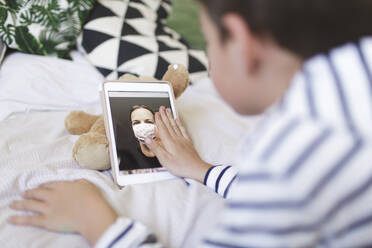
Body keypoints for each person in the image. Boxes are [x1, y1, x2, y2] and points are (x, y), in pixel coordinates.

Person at [8, 0, 372, 247]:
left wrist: (98, 223)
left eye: (209, 42)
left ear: (243, 43)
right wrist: (202, 169)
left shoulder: (290, 158)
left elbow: (286, 190)